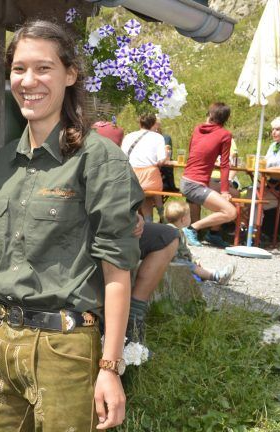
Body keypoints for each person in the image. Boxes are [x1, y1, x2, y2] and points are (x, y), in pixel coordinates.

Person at [0, 20, 142, 431]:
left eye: (43, 68)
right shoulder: (0, 163)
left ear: (70, 74)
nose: (29, 81)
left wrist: (110, 367)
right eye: (19, 69)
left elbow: (118, 270)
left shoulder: (100, 159)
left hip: (64, 349)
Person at [93, 116, 179, 347]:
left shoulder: (118, 166)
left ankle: (134, 314)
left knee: (167, 236)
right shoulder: (77, 164)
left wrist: (136, 217)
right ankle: (110, 323)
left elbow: (125, 206)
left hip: (116, 234)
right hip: (89, 241)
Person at [180, 102, 237, 248]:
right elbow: (225, 164)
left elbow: (193, 152)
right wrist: (224, 191)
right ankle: (191, 228)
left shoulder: (197, 129)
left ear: (210, 115)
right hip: (195, 184)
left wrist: (226, 191)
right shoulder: (225, 135)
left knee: (235, 194)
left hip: (187, 179)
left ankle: (213, 234)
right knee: (230, 212)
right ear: (226, 118)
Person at [165, 202, 236, 284]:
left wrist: (193, 259)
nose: (190, 218)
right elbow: (181, 251)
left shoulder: (168, 229)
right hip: (174, 262)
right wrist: (191, 260)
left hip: (168, 260)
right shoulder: (176, 232)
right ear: (183, 219)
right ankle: (218, 276)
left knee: (194, 266)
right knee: (194, 267)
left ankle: (207, 275)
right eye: (189, 216)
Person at [121, 113, 169, 221]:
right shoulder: (158, 137)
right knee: (151, 187)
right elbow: (161, 160)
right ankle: (162, 215)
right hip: (151, 181)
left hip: (132, 178)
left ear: (140, 123)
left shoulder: (128, 136)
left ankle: (148, 221)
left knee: (144, 194)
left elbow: (123, 157)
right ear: (154, 124)